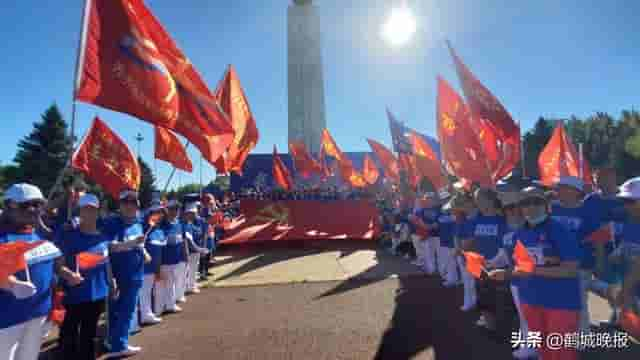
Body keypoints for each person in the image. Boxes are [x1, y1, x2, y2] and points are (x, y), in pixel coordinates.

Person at [509, 187, 581, 360]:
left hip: (560, 302)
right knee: (543, 350)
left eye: (536, 202)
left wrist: (534, 270)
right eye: (526, 202)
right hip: (530, 300)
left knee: (561, 351)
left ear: (546, 204)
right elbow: (520, 267)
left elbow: (571, 270)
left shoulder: (560, 229)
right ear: (520, 207)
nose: (531, 206)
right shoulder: (518, 234)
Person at [0, 183, 62, 360]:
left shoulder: (40, 234)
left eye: (38, 204)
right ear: (9, 206)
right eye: (26, 205)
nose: (34, 209)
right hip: (6, 320)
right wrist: (12, 284)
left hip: (39, 314)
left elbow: (52, 270)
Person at [56, 194, 110, 360]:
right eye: (85, 210)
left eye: (93, 210)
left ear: (98, 212)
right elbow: (58, 265)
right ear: (79, 211)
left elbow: (107, 263)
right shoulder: (68, 235)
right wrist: (69, 275)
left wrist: (112, 283)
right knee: (69, 336)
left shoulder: (103, 237)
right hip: (74, 296)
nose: (89, 214)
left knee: (90, 335)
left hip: (98, 294)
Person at [488, 190, 537, 359]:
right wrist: (489, 264)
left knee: (537, 316)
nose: (513, 211)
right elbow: (503, 254)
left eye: (517, 207)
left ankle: (537, 348)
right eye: (509, 208)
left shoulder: (533, 228)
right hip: (516, 280)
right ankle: (529, 347)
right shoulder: (506, 231)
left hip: (534, 280)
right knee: (524, 316)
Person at [100, 190, 148, 359]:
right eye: (125, 203)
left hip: (135, 272)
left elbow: (139, 244)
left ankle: (113, 341)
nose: (129, 206)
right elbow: (109, 247)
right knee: (124, 311)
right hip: (120, 274)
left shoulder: (138, 222)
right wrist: (132, 243)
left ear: (138, 205)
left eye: (133, 203)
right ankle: (119, 345)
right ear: (119, 205)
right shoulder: (112, 223)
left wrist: (144, 252)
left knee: (121, 310)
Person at [550, 176, 601, 333]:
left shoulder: (588, 212)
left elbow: (598, 238)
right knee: (558, 302)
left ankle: (582, 338)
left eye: (562, 188)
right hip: (556, 265)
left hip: (581, 264)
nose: (557, 191)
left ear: (575, 191)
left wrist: (599, 262)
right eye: (558, 188)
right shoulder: (551, 208)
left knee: (579, 302)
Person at [461, 188, 507, 328]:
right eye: (477, 200)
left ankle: (500, 323)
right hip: (479, 264)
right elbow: (470, 242)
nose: (478, 203)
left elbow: (505, 244)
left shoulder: (502, 220)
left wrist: (494, 262)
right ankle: (488, 320)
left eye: (480, 199)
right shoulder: (475, 220)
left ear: (491, 201)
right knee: (482, 294)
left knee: (499, 296)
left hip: (498, 265)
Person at [157, 200, 186, 313]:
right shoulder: (162, 225)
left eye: (176, 209)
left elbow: (182, 241)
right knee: (161, 285)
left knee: (172, 283)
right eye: (172, 209)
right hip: (164, 260)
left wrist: (184, 255)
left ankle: (170, 304)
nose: (174, 211)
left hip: (176, 259)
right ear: (167, 210)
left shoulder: (179, 224)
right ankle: (160, 307)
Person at [140, 201, 166, 325]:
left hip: (153, 267)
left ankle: (148, 313)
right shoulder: (144, 228)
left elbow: (159, 251)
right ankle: (145, 315)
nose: (159, 215)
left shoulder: (159, 231)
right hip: (143, 268)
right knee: (144, 292)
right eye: (156, 212)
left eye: (160, 213)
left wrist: (158, 268)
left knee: (148, 291)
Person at [183, 202, 209, 294]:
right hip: (187, 250)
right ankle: (185, 287)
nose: (192, 214)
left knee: (194, 268)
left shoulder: (202, 221)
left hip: (197, 249)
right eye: (190, 213)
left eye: (193, 212)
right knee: (186, 270)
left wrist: (203, 248)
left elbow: (205, 235)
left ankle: (192, 285)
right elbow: (186, 238)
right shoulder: (185, 222)